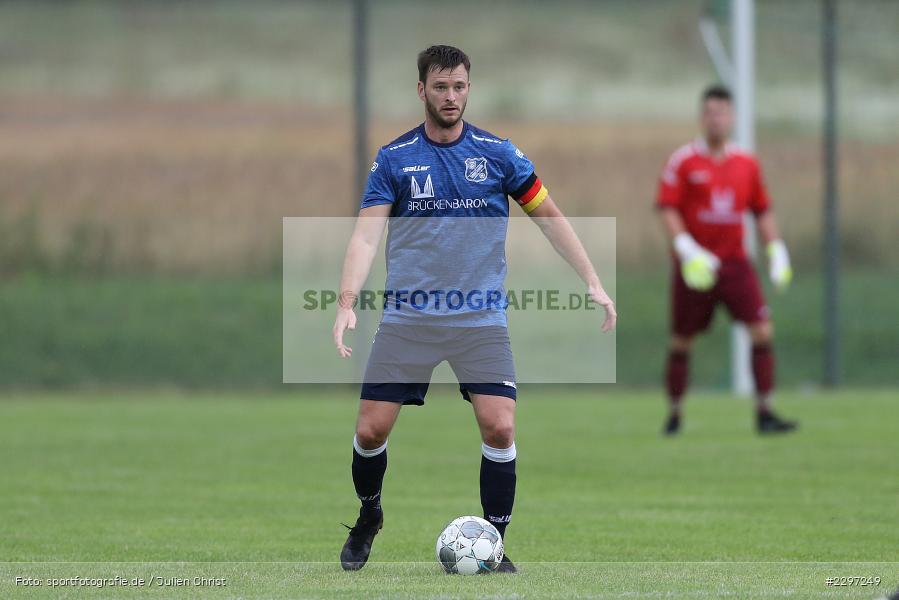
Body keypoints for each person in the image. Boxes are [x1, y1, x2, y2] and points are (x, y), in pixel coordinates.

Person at [333, 45, 616, 572]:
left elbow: (551, 220)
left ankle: (495, 542)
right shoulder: (394, 159)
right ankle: (370, 514)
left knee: (500, 428)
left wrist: (594, 281)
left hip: (478, 318)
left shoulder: (499, 154)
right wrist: (347, 302)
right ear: (421, 91)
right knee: (371, 431)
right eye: (440, 87)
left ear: (470, 88)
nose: (451, 96)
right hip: (409, 319)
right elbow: (366, 238)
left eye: (460, 86)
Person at [657, 84, 797, 436]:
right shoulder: (684, 161)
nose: (716, 119)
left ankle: (764, 412)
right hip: (697, 268)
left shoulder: (746, 164)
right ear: (702, 117)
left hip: (735, 264)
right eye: (710, 113)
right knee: (682, 340)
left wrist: (775, 248)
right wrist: (686, 248)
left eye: (722, 113)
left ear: (732, 118)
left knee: (762, 331)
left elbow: (761, 209)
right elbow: (667, 208)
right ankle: (674, 414)